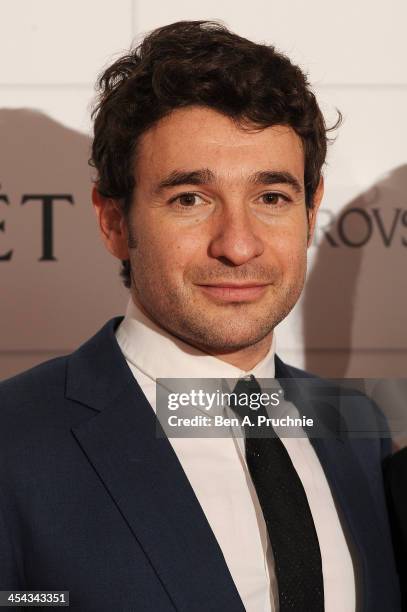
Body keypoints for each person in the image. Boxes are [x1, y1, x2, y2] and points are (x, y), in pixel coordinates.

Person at [0, 20, 400, 612]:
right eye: (190, 199)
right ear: (114, 221)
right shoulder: (13, 441)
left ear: (311, 211)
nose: (238, 246)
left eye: (272, 198)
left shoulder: (357, 428)